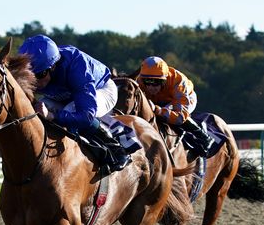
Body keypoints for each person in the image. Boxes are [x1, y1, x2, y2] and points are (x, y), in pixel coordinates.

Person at [18, 34, 131, 173]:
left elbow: (85, 116)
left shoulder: (76, 66)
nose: (36, 83)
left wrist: (52, 116)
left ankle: (117, 150)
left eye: (40, 75)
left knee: (71, 109)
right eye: (30, 77)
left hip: (101, 89)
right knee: (38, 109)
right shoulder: (38, 70)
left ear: (53, 66)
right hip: (65, 95)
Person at [136, 56, 215, 157]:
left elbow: (180, 117)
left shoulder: (178, 81)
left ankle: (203, 137)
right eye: (147, 82)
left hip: (181, 99)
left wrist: (157, 110)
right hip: (158, 100)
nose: (151, 87)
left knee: (173, 117)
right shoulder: (140, 81)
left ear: (164, 80)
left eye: (156, 82)